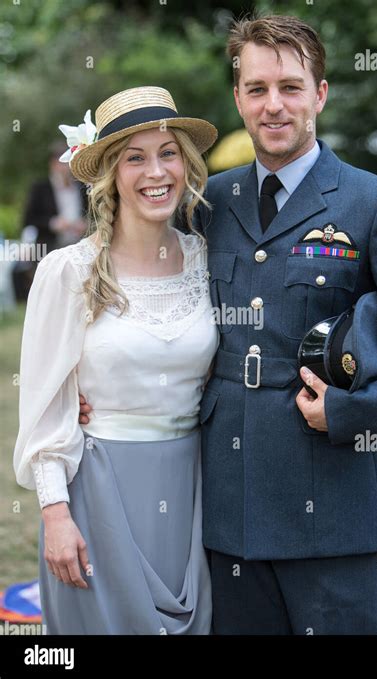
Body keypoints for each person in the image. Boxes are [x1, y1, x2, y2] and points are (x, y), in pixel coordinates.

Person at [80, 15, 377, 635]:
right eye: (257, 89)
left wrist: (352, 413)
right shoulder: (211, 204)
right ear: (238, 98)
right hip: (228, 509)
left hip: (334, 506)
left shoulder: (375, 204)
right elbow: (156, 302)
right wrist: (97, 385)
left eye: (290, 87)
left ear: (319, 93)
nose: (273, 105)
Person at [13, 86, 219, 634]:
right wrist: (56, 515)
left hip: (195, 485)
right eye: (135, 157)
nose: (156, 171)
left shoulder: (208, 258)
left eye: (168, 152)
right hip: (100, 486)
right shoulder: (68, 272)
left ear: (187, 164)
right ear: (109, 173)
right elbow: (44, 403)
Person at [22, 141, 88, 254]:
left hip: (80, 246)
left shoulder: (82, 186)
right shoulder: (41, 188)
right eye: (62, 163)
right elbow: (28, 219)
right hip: (49, 247)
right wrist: (53, 223)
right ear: (52, 164)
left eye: (68, 163)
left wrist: (86, 224)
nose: (65, 168)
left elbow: (93, 213)